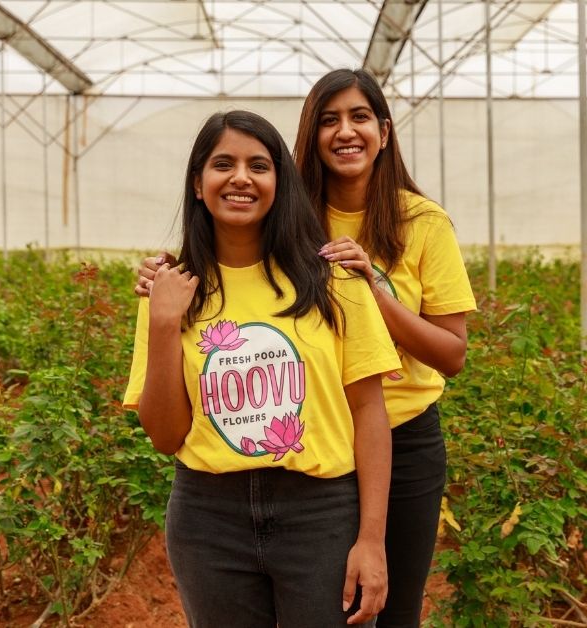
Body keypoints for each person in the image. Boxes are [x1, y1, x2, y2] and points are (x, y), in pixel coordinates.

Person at [136, 69, 475, 627]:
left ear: (385, 132)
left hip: (391, 436)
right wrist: (164, 305)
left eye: (360, 117)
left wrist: (371, 292)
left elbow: (451, 354)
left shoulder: (412, 226)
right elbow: (166, 429)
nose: (345, 131)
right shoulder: (289, 221)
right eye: (328, 119)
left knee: (390, 609)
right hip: (302, 446)